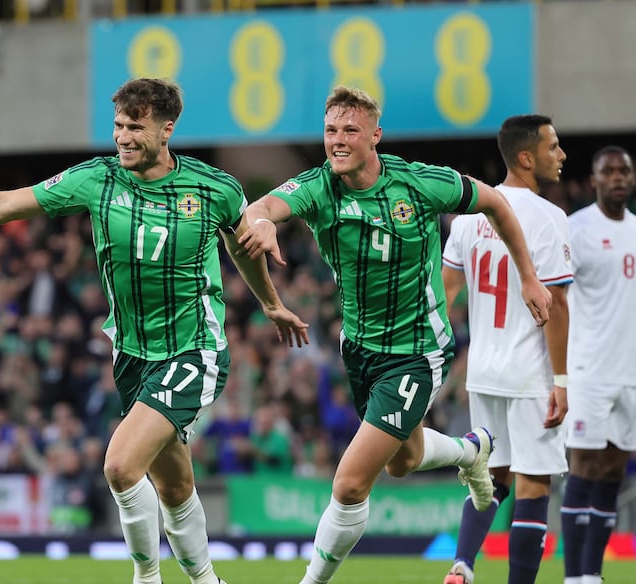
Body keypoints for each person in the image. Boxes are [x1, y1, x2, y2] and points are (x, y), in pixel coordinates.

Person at [0, 77, 309, 584]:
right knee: (175, 484)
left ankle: (145, 577)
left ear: (167, 130)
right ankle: (208, 581)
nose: (123, 137)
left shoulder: (214, 188)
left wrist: (271, 304)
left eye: (135, 127)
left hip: (193, 349)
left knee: (120, 465)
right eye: (118, 126)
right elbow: (5, 204)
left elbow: (243, 245)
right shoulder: (97, 180)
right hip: (133, 356)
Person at [237, 86, 553, 584]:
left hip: (416, 352)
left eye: (350, 131)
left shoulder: (419, 184)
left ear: (375, 136)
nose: (337, 141)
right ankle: (473, 450)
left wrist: (529, 277)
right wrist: (264, 224)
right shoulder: (319, 188)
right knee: (402, 462)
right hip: (360, 349)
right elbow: (260, 207)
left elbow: (494, 202)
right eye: (330, 131)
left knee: (350, 481)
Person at [441, 114, 572, 584]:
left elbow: (446, 293)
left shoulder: (470, 216)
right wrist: (561, 381)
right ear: (525, 156)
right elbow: (555, 305)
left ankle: (463, 563)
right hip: (529, 374)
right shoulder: (548, 217)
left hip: (484, 372)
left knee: (492, 477)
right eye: (552, 147)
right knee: (534, 485)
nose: (561, 156)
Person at [560, 146, 636, 584]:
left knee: (613, 471)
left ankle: (592, 573)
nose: (618, 178)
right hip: (589, 369)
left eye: (624, 170)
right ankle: (573, 576)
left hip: (628, 373)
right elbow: (558, 296)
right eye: (609, 172)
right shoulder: (578, 230)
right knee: (584, 466)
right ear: (594, 181)